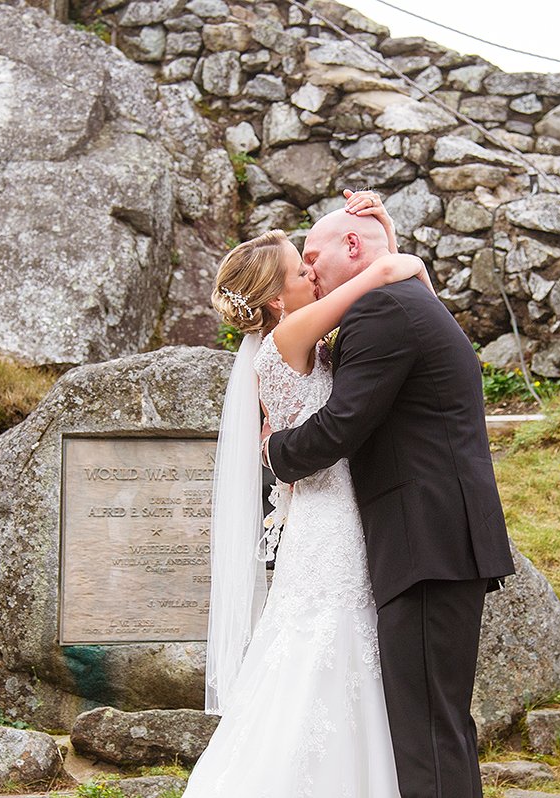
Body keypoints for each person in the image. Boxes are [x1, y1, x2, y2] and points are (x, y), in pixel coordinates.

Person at [263, 196, 517, 798]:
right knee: (435, 725)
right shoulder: (404, 301)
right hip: (437, 539)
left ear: (353, 248)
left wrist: (272, 454)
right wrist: (389, 240)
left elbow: (341, 427)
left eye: (315, 256)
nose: (311, 270)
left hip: (425, 541)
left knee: (428, 733)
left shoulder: (382, 310)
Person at [183, 191, 431, 797]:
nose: (312, 273)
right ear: (275, 298)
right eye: (301, 270)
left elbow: (383, 305)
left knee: (328, 651)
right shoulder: (288, 337)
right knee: (328, 646)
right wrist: (389, 254)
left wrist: (381, 233)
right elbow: (377, 281)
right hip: (332, 519)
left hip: (335, 511)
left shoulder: (298, 340)